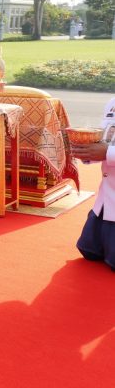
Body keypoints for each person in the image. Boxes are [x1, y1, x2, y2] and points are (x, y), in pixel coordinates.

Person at [71, 97, 115, 271]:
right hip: (107, 198)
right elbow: (104, 140)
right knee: (89, 250)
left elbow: (107, 150)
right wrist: (87, 152)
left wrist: (108, 153)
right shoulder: (112, 102)